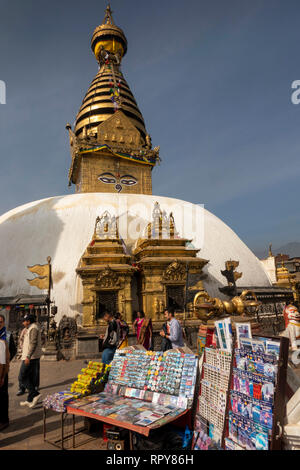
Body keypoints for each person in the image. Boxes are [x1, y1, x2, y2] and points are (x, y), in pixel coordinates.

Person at [19, 314, 42, 408]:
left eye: (24, 321)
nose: (23, 322)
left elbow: (33, 343)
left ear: (28, 321)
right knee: (29, 378)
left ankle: (35, 394)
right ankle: (30, 399)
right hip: (29, 356)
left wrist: (28, 356)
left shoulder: (33, 328)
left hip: (31, 357)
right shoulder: (30, 328)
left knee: (22, 377)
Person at [0, 333, 9, 431]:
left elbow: (3, 362)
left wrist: (2, 377)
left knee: (2, 398)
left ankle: (4, 421)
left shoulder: (2, 343)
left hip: (2, 375)